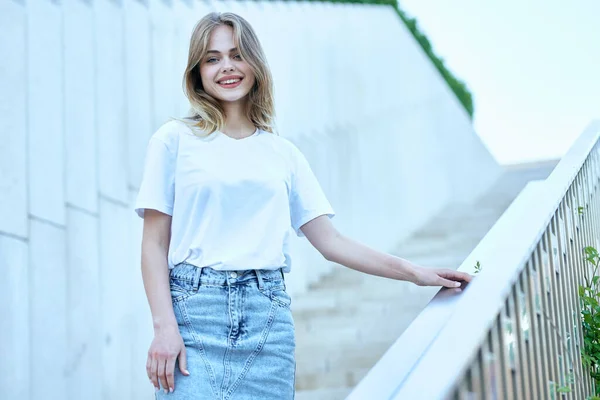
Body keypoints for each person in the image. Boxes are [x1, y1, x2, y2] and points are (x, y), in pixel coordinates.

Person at [134, 11, 472, 399]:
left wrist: (415, 272)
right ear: (197, 72)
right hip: (194, 317)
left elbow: (332, 242)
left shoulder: (284, 154)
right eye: (212, 58)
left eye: (237, 54)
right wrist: (164, 327)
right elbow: (154, 244)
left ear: (255, 64)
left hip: (267, 323)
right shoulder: (173, 140)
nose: (226, 67)